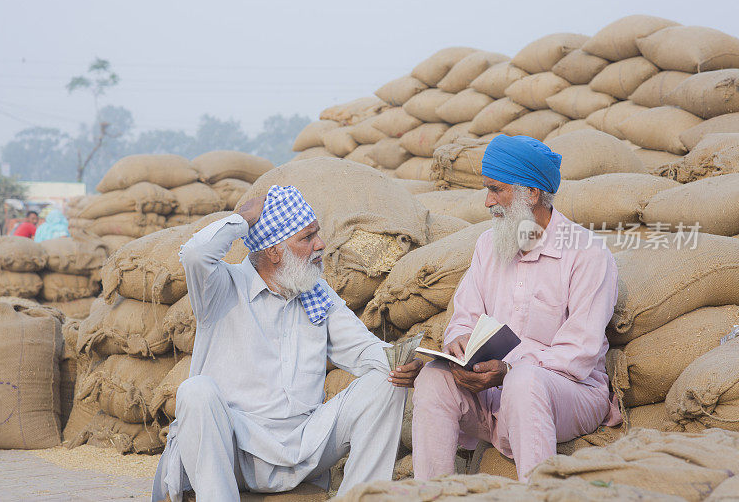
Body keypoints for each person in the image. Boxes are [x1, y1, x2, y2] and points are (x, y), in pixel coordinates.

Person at [152, 185, 423, 502]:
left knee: (386, 379)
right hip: (236, 451)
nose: (320, 245)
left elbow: (364, 349)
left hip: (305, 446)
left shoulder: (316, 295)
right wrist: (242, 219)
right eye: (307, 238)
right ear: (274, 251)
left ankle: (360, 498)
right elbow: (196, 255)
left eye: (316, 234)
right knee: (195, 391)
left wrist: (402, 364)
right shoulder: (222, 288)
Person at [411, 135, 621, 482]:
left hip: (569, 393)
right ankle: (432, 493)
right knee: (434, 378)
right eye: (486, 190)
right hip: (492, 389)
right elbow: (464, 316)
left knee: (525, 381)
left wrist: (507, 370)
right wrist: (460, 346)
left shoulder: (587, 253)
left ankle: (537, 491)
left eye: (496, 190)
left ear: (532, 194)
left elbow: (577, 356)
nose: (487, 202)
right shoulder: (488, 245)